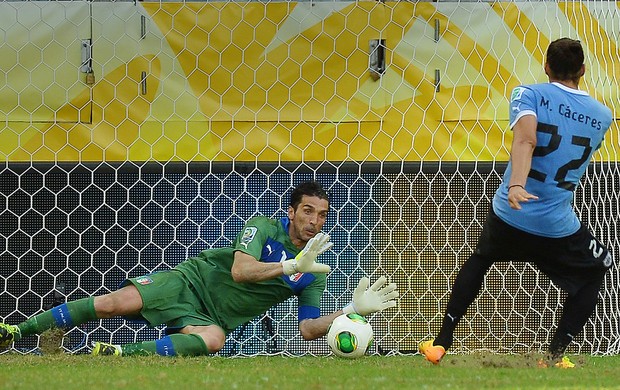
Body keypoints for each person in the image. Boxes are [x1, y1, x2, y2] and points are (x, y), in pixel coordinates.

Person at [0, 181, 398, 356]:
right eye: (307, 211)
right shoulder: (262, 226)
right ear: (291, 212)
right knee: (113, 303)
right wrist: (288, 265)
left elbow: (307, 330)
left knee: (213, 341)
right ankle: (17, 330)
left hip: (212, 317)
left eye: (322, 215)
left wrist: (351, 311)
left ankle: (119, 353)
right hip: (189, 284)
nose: (314, 221)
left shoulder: (314, 271)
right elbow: (241, 271)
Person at [419, 38, 613, 368]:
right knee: (597, 269)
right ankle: (553, 357)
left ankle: (441, 343)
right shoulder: (603, 115)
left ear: (547, 66)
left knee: (481, 259)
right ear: (582, 70)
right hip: (556, 226)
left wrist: (517, 186)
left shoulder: (529, 93)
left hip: (511, 213)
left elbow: (525, 138)